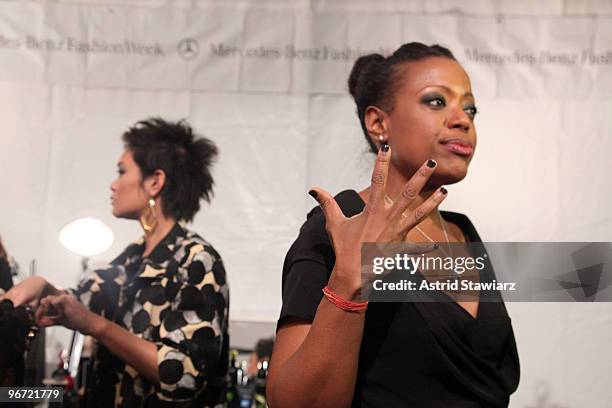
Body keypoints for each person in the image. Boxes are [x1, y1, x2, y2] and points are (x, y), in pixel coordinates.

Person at [267, 43, 520, 407]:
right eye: (436, 101)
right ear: (379, 123)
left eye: (470, 108)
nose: (462, 119)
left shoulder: (463, 231)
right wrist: (348, 286)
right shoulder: (337, 226)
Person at [4, 118, 229, 407]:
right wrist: (41, 286)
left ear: (155, 182)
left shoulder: (197, 260)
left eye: (122, 172)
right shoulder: (130, 260)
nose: (113, 184)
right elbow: (79, 301)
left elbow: (184, 375)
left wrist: (96, 326)